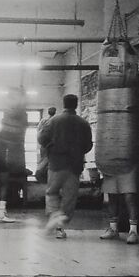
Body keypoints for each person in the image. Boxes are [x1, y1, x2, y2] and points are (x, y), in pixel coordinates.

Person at [38, 94, 92, 239]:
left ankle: (54, 214)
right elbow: (88, 145)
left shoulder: (53, 121)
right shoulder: (83, 123)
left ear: (64, 104)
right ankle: (61, 225)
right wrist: (78, 151)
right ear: (76, 104)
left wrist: (51, 147)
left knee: (52, 192)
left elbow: (41, 138)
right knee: (70, 196)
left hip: (56, 163)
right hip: (75, 165)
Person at [0, 117, 19, 223]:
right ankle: (1, 214)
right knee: (4, 186)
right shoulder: (8, 135)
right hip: (3, 160)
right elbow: (13, 150)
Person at [99, 171, 139, 244]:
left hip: (128, 165)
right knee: (112, 194)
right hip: (111, 166)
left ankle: (133, 231)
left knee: (129, 196)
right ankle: (113, 229)